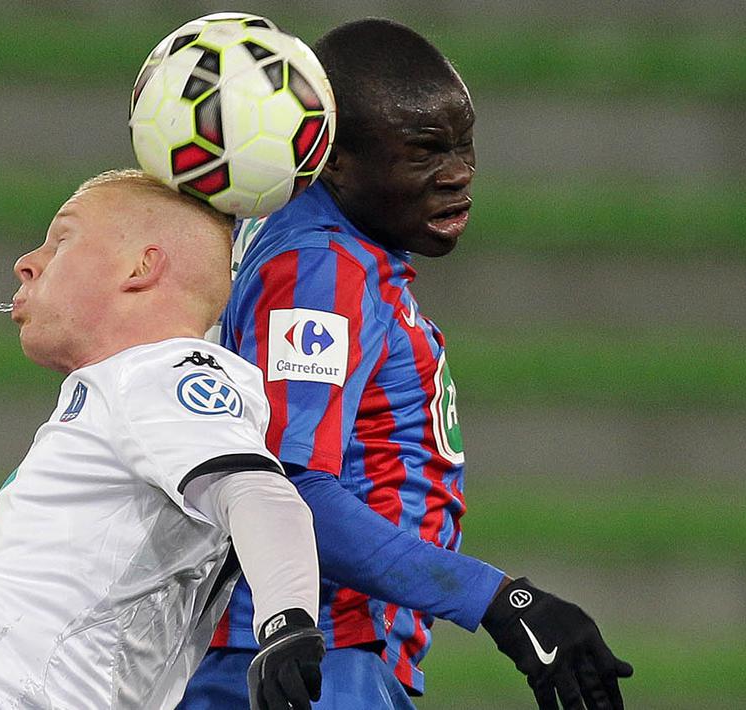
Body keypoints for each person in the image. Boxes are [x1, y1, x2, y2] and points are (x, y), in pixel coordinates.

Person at [177, 19, 633, 710]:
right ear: (332, 158)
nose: (458, 175)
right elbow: (289, 492)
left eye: (463, 144)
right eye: (423, 152)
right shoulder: (318, 271)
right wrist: (500, 601)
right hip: (309, 660)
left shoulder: (317, 246)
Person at [0, 170, 327, 710]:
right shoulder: (120, 394)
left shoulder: (163, 373)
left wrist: (287, 624)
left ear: (140, 268)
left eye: (62, 241)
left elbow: (261, 497)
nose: (26, 262)